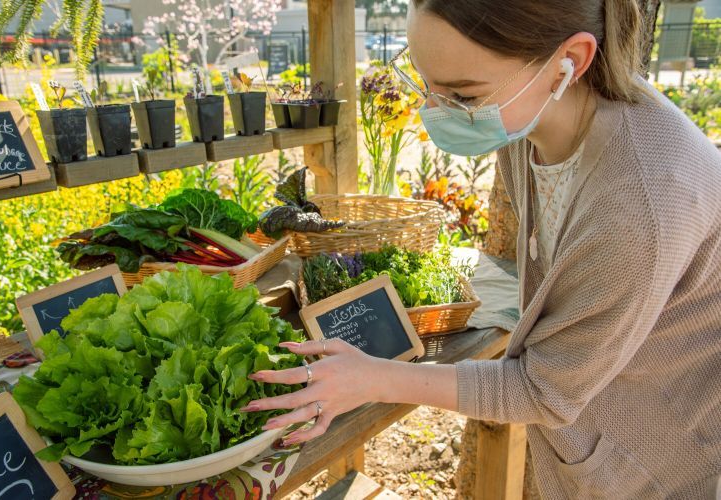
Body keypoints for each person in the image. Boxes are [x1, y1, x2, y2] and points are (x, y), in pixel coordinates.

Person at [241, 1, 721, 498]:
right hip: (596, 428)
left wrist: (376, 379)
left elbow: (544, 390)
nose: (433, 108)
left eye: (462, 94)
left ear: (571, 60)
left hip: (655, 456)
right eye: (424, 81)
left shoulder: (640, 205)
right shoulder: (535, 112)